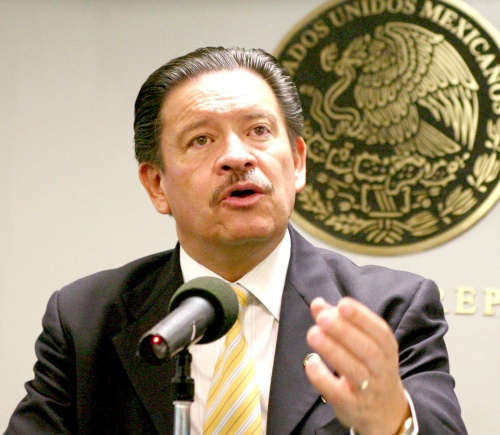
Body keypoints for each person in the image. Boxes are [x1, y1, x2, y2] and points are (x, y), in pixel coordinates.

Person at [5, 47, 467, 435]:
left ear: (298, 162)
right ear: (157, 184)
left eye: (258, 131)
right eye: (201, 139)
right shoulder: (87, 319)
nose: (237, 156)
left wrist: (393, 421)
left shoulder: (388, 308)